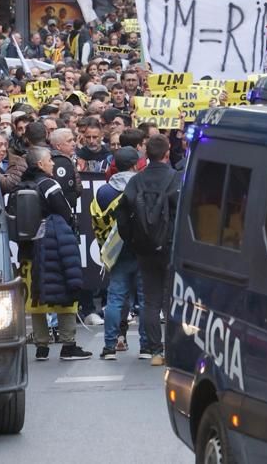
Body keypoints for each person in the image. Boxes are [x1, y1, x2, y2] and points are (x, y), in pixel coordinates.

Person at [18, 147, 90, 361]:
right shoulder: (49, 185)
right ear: (40, 164)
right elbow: (65, 213)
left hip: (27, 250)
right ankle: (69, 345)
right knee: (66, 293)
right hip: (53, 248)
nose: (53, 164)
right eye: (49, 160)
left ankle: (41, 346)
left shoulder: (20, 186)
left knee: (37, 297)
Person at [116, 134, 179, 365]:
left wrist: (132, 240)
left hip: (144, 248)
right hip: (171, 246)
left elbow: (121, 216)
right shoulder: (176, 179)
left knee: (150, 300)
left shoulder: (136, 181)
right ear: (167, 153)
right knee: (172, 299)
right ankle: (174, 349)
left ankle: (155, 351)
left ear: (145, 154)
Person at [94, 147, 142, 359]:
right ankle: (149, 347)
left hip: (116, 251)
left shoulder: (104, 191)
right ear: (135, 165)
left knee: (115, 299)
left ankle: (110, 345)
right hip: (141, 249)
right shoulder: (141, 187)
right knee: (147, 300)